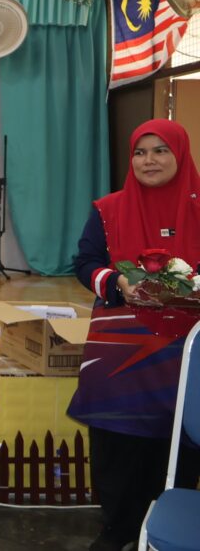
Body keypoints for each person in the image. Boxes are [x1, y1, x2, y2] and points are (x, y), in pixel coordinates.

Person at [68, 119, 200, 551]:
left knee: (178, 441)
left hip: (184, 353)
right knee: (116, 443)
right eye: (140, 152)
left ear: (180, 154)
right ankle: (117, 529)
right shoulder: (108, 209)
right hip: (119, 350)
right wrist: (116, 283)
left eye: (160, 150)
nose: (149, 160)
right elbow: (86, 262)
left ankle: (167, 528)